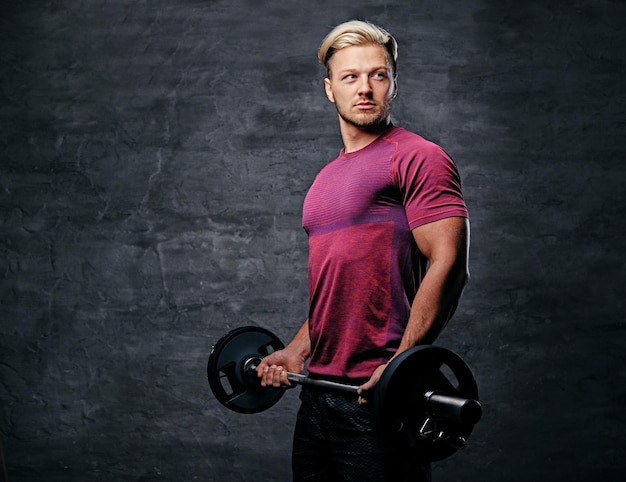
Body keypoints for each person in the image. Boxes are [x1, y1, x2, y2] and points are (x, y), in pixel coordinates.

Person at [256, 20, 470, 482]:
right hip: (317, 396)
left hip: (377, 397)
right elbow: (345, 286)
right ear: (330, 90)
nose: (365, 88)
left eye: (378, 74)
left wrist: (400, 366)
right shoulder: (324, 182)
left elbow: (449, 263)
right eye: (351, 77)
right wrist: (296, 350)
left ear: (393, 82)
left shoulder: (418, 157)